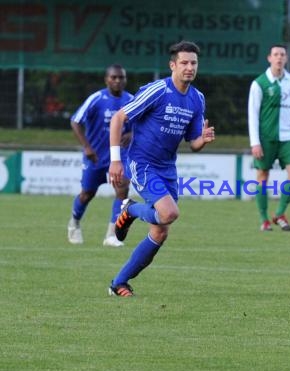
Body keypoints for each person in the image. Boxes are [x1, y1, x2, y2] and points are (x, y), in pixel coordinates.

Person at [107, 40, 216, 297]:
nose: (189, 67)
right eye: (184, 63)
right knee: (168, 213)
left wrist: (203, 139)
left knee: (160, 232)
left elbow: (193, 143)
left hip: (167, 167)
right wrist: (115, 160)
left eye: (194, 63)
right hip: (142, 163)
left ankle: (118, 282)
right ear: (172, 65)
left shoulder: (197, 99)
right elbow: (119, 117)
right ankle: (131, 209)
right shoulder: (158, 90)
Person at [67, 64, 134, 247]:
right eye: (114, 77)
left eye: (121, 77)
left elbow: (143, 125)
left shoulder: (132, 100)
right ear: (106, 79)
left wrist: (132, 134)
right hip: (95, 156)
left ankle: (111, 235)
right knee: (87, 193)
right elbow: (75, 121)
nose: (118, 81)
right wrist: (87, 147)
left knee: (122, 190)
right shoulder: (96, 99)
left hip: (119, 158)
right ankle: (74, 222)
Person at [248, 44, 290, 232]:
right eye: (276, 54)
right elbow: (253, 114)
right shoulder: (259, 83)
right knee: (262, 176)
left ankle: (280, 212)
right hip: (266, 138)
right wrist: (255, 142)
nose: (279, 58)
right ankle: (264, 219)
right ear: (269, 58)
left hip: (289, 137)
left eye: (282, 54)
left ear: (286, 59)